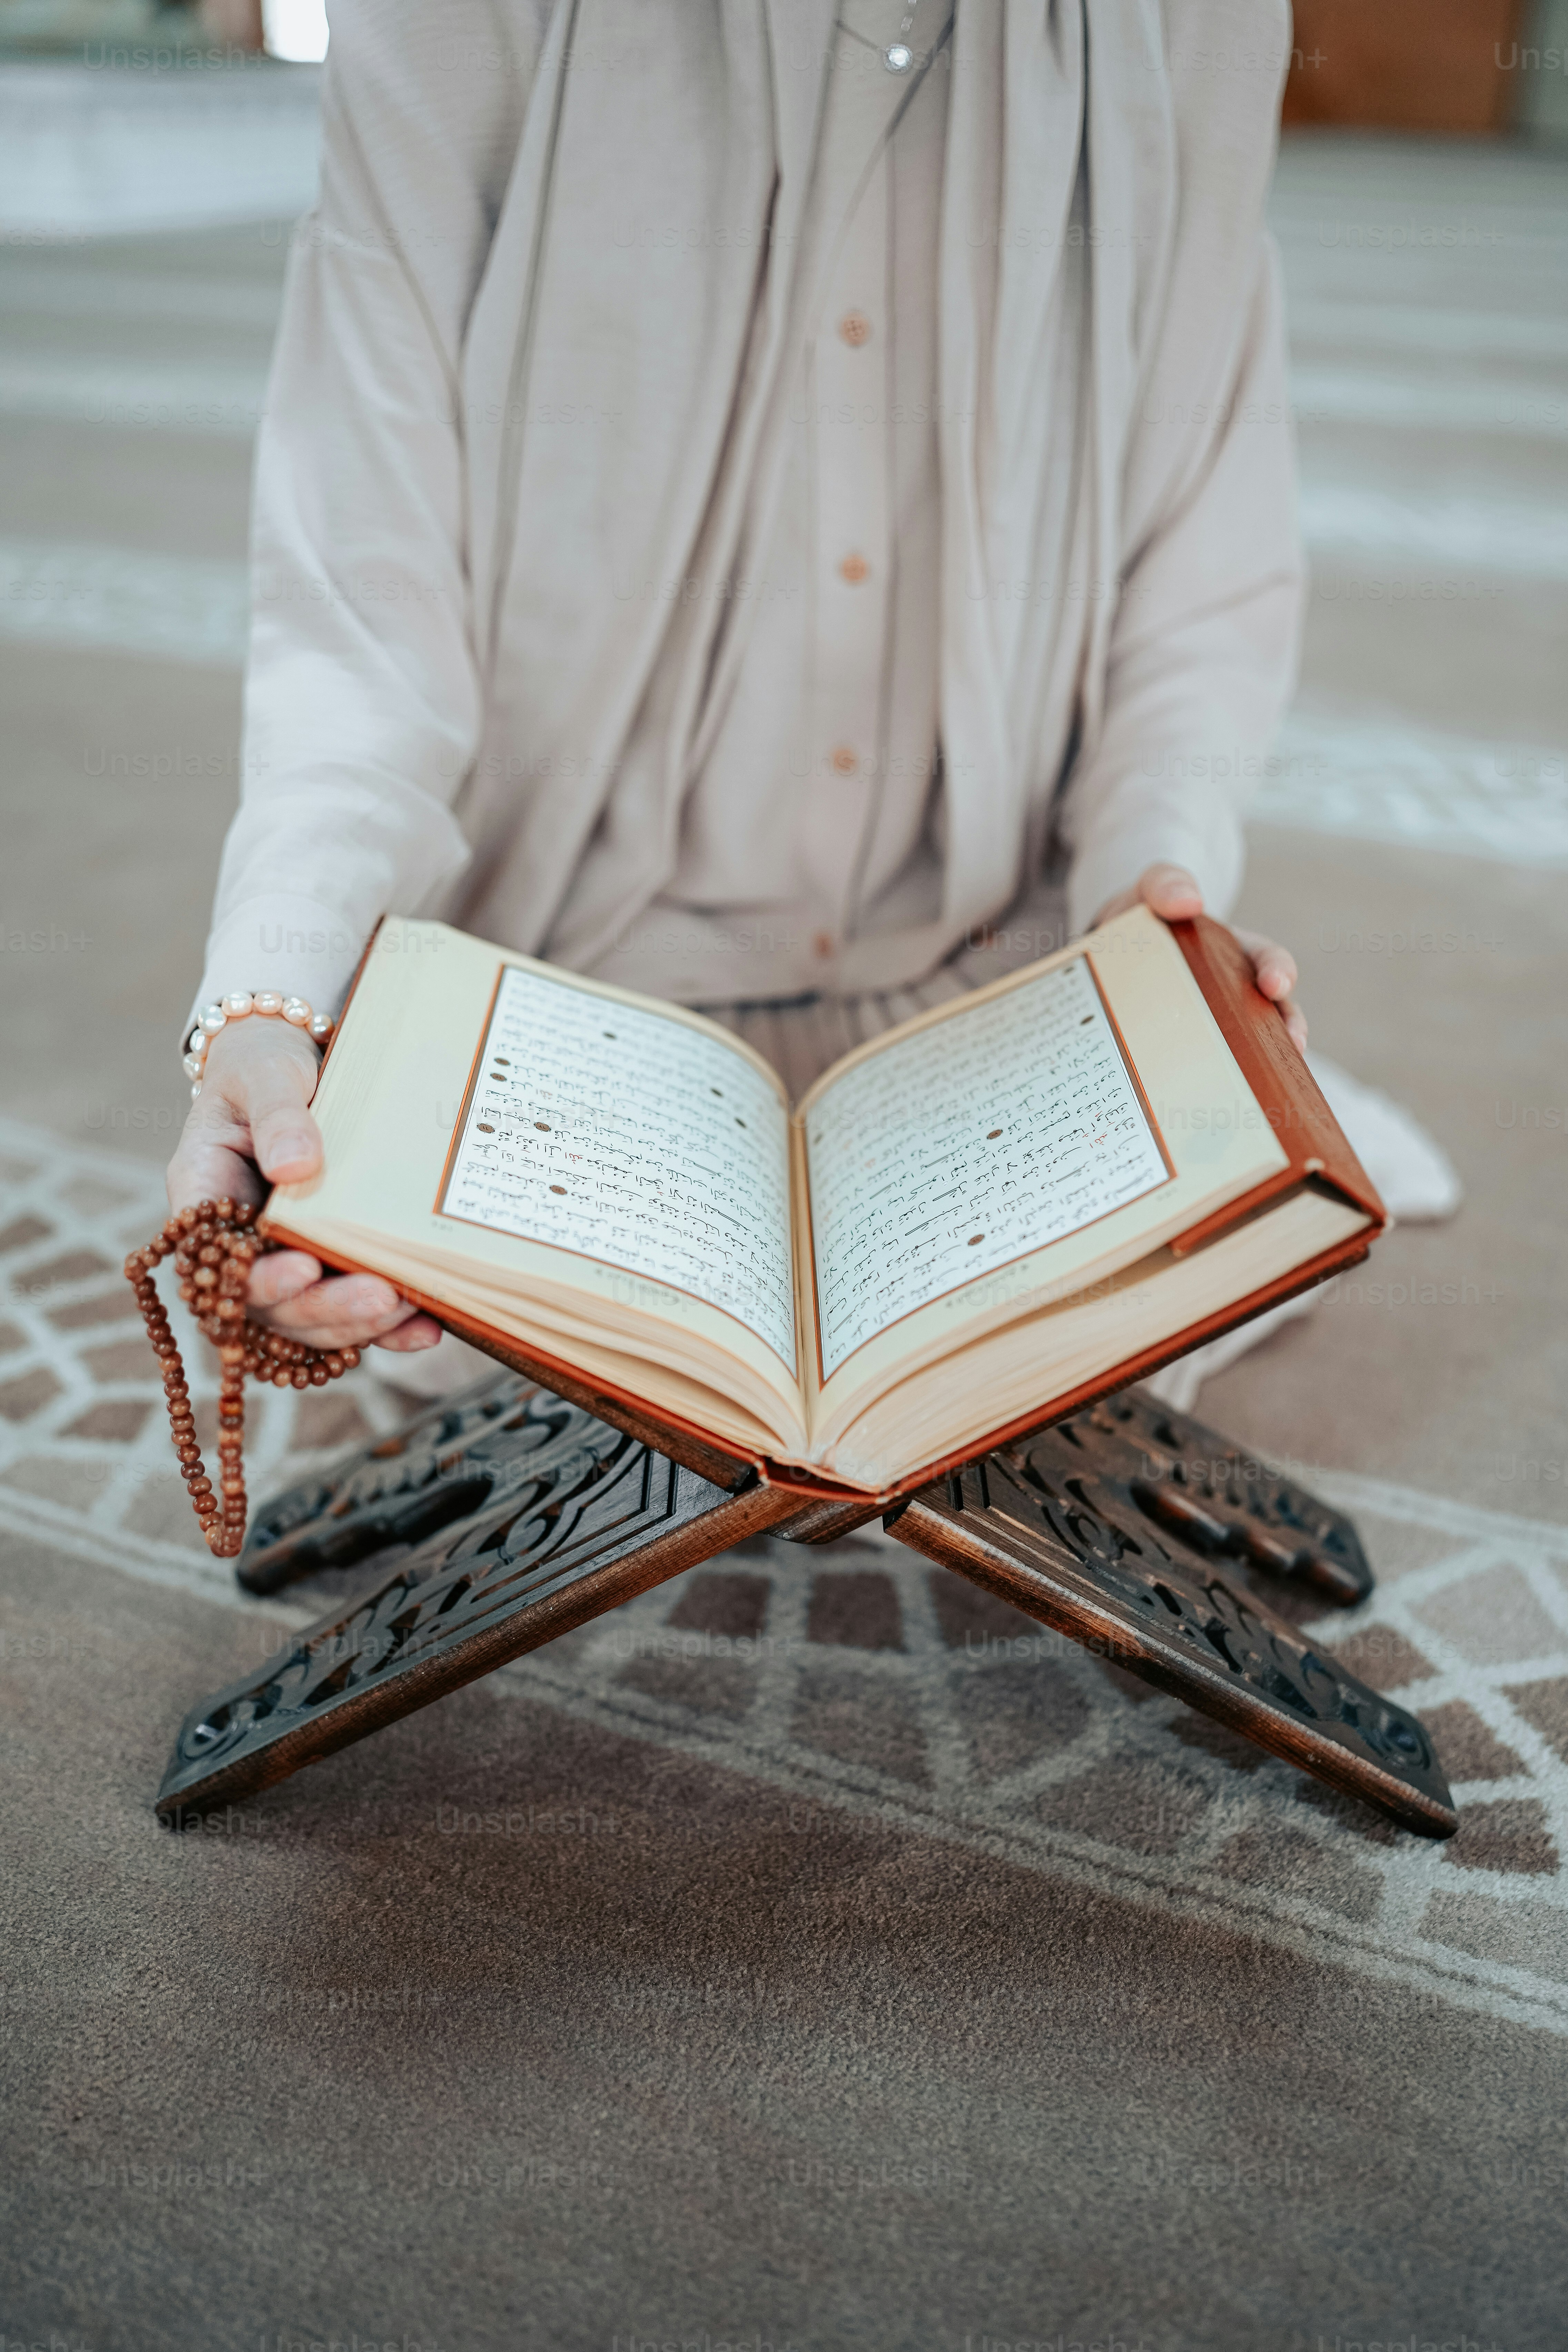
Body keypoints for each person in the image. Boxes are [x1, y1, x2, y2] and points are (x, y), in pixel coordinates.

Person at [167, 0, 1309, 1372]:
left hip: (991, 977)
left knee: (1127, 1316)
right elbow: (365, 581)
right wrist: (275, 986)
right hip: (569, 988)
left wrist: (1151, 912)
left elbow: (1202, 551)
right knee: (435, 1318)